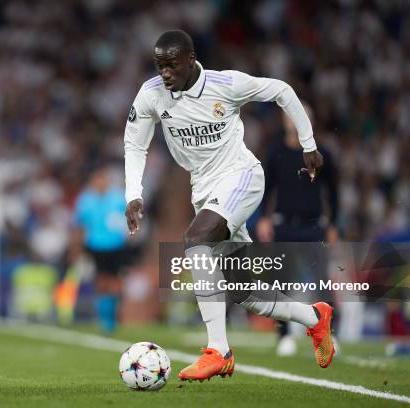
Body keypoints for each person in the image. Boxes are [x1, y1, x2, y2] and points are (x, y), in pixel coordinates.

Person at [124, 30, 334, 382]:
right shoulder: (151, 95)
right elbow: (134, 144)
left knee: (196, 239)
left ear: (190, 60)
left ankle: (218, 350)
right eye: (160, 66)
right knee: (244, 292)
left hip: (242, 176)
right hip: (204, 189)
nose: (165, 74)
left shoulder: (226, 84)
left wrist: (308, 144)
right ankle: (315, 318)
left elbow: (282, 91)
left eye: (171, 66)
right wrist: (133, 193)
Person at [257, 104, 340, 356]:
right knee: (281, 284)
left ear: (310, 121)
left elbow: (333, 191)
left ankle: (329, 334)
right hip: (283, 226)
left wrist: (334, 223)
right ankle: (284, 336)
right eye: (291, 116)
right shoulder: (276, 152)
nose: (295, 121)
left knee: (322, 284)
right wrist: (263, 218)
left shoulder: (321, 152)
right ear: (285, 121)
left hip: (314, 227)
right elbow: (265, 188)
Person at [73, 166, 128, 333]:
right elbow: (81, 226)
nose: (100, 183)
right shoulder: (85, 200)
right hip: (95, 245)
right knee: (100, 281)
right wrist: (77, 249)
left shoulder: (118, 198)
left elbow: (128, 221)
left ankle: (113, 316)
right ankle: (105, 318)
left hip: (116, 245)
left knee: (115, 282)